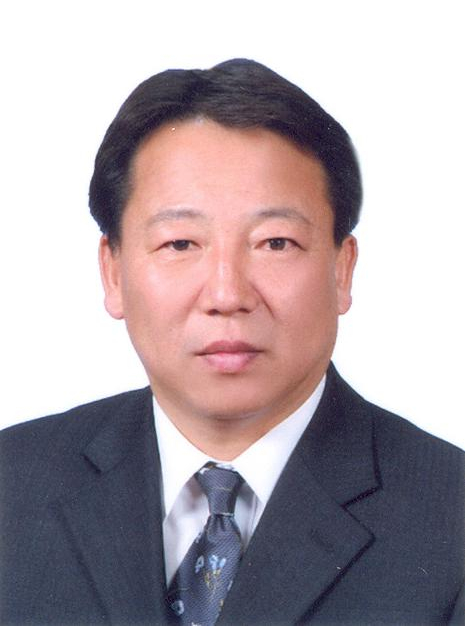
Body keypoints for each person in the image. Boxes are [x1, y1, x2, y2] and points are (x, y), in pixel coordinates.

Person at [0, 59, 463, 626]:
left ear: (342, 270)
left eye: (275, 243)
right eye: (180, 243)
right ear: (113, 272)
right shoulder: (12, 486)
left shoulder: (451, 519)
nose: (226, 294)